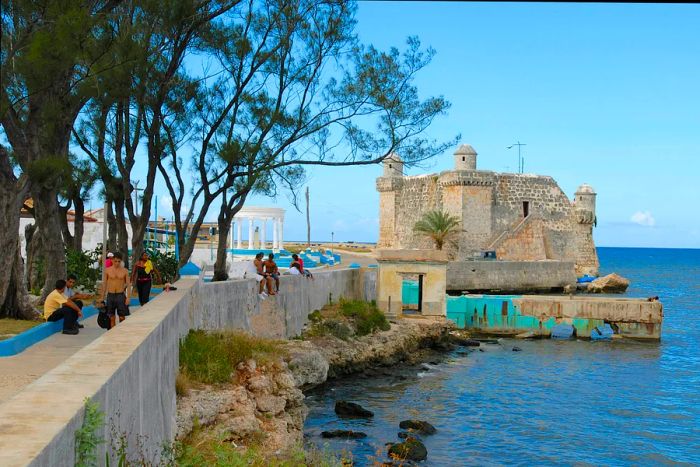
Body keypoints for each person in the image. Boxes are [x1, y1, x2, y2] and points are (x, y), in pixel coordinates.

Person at [102, 252, 131, 328]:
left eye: (119, 261)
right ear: (112, 260)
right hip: (110, 295)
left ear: (121, 261)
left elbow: (128, 285)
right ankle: (112, 335)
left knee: (122, 317)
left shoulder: (125, 271)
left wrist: (128, 297)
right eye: (115, 261)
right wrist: (102, 297)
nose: (117, 263)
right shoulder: (107, 270)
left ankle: (121, 332)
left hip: (120, 295)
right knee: (111, 317)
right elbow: (104, 284)